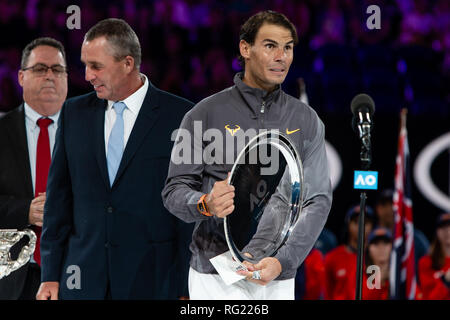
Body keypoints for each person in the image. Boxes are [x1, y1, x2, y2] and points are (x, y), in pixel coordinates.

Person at [162, 10, 332, 300]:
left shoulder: (306, 120)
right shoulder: (202, 114)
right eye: (270, 46)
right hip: (214, 272)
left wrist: (283, 261)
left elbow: (317, 200)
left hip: (276, 274)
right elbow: (173, 192)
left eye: (288, 47)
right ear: (245, 48)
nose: (281, 57)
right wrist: (205, 204)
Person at [36, 18, 194, 300]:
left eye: (96, 66)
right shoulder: (73, 114)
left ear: (128, 63)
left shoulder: (181, 117)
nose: (87, 75)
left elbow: (188, 214)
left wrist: (186, 286)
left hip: (153, 282)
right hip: (82, 280)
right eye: (85, 64)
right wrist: (49, 275)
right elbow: (58, 203)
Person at [0, 37, 67, 299]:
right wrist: (25, 210)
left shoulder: (91, 134)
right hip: (10, 277)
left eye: (58, 70)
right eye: (40, 69)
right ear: (21, 77)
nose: (50, 76)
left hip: (71, 274)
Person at [324, 205, 374, 300]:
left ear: (372, 226)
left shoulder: (377, 258)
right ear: (348, 225)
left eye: (366, 222)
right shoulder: (333, 257)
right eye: (356, 222)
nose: (361, 226)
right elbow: (327, 292)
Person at [418, 213, 450, 299]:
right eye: (443, 227)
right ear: (437, 232)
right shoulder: (426, 262)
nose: (447, 230)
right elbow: (428, 297)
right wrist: (445, 282)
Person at [363, 227, 393, 300]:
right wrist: (379, 279)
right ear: (368, 250)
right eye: (376, 244)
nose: (381, 248)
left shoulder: (401, 273)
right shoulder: (361, 274)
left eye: (385, 243)